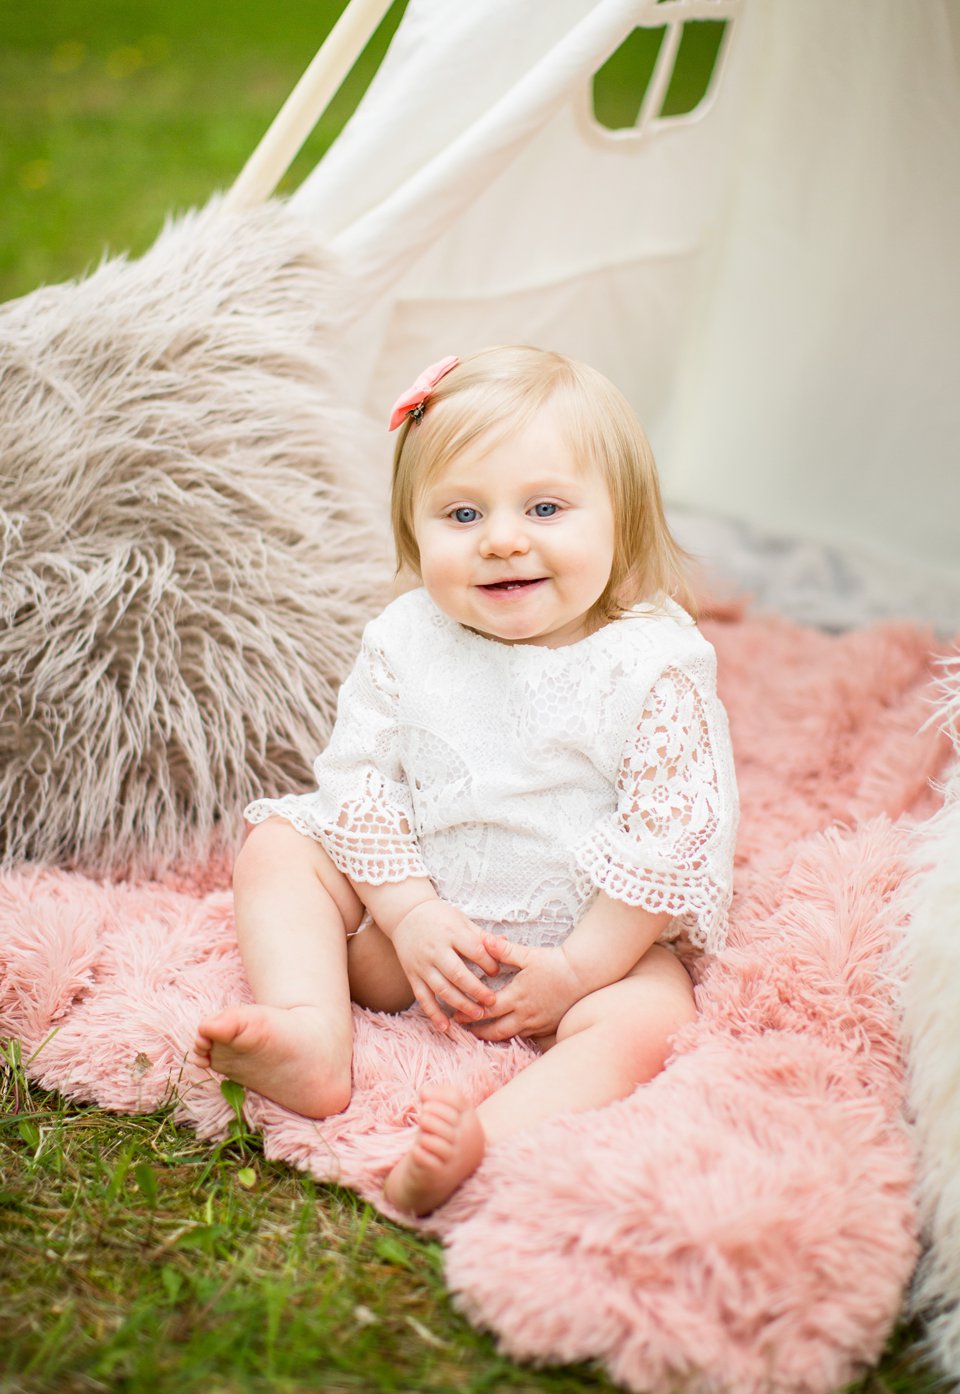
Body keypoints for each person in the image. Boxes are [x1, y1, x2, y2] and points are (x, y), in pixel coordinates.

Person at [193, 345, 738, 1215]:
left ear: (622, 523)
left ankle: (490, 1137)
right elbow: (359, 784)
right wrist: (408, 914)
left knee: (654, 1017)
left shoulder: (651, 664)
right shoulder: (407, 640)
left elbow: (668, 841)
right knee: (281, 844)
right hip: (415, 945)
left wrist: (575, 967)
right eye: (461, 512)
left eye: (547, 506)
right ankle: (312, 1034)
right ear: (413, 531)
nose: (503, 538)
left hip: (587, 952)